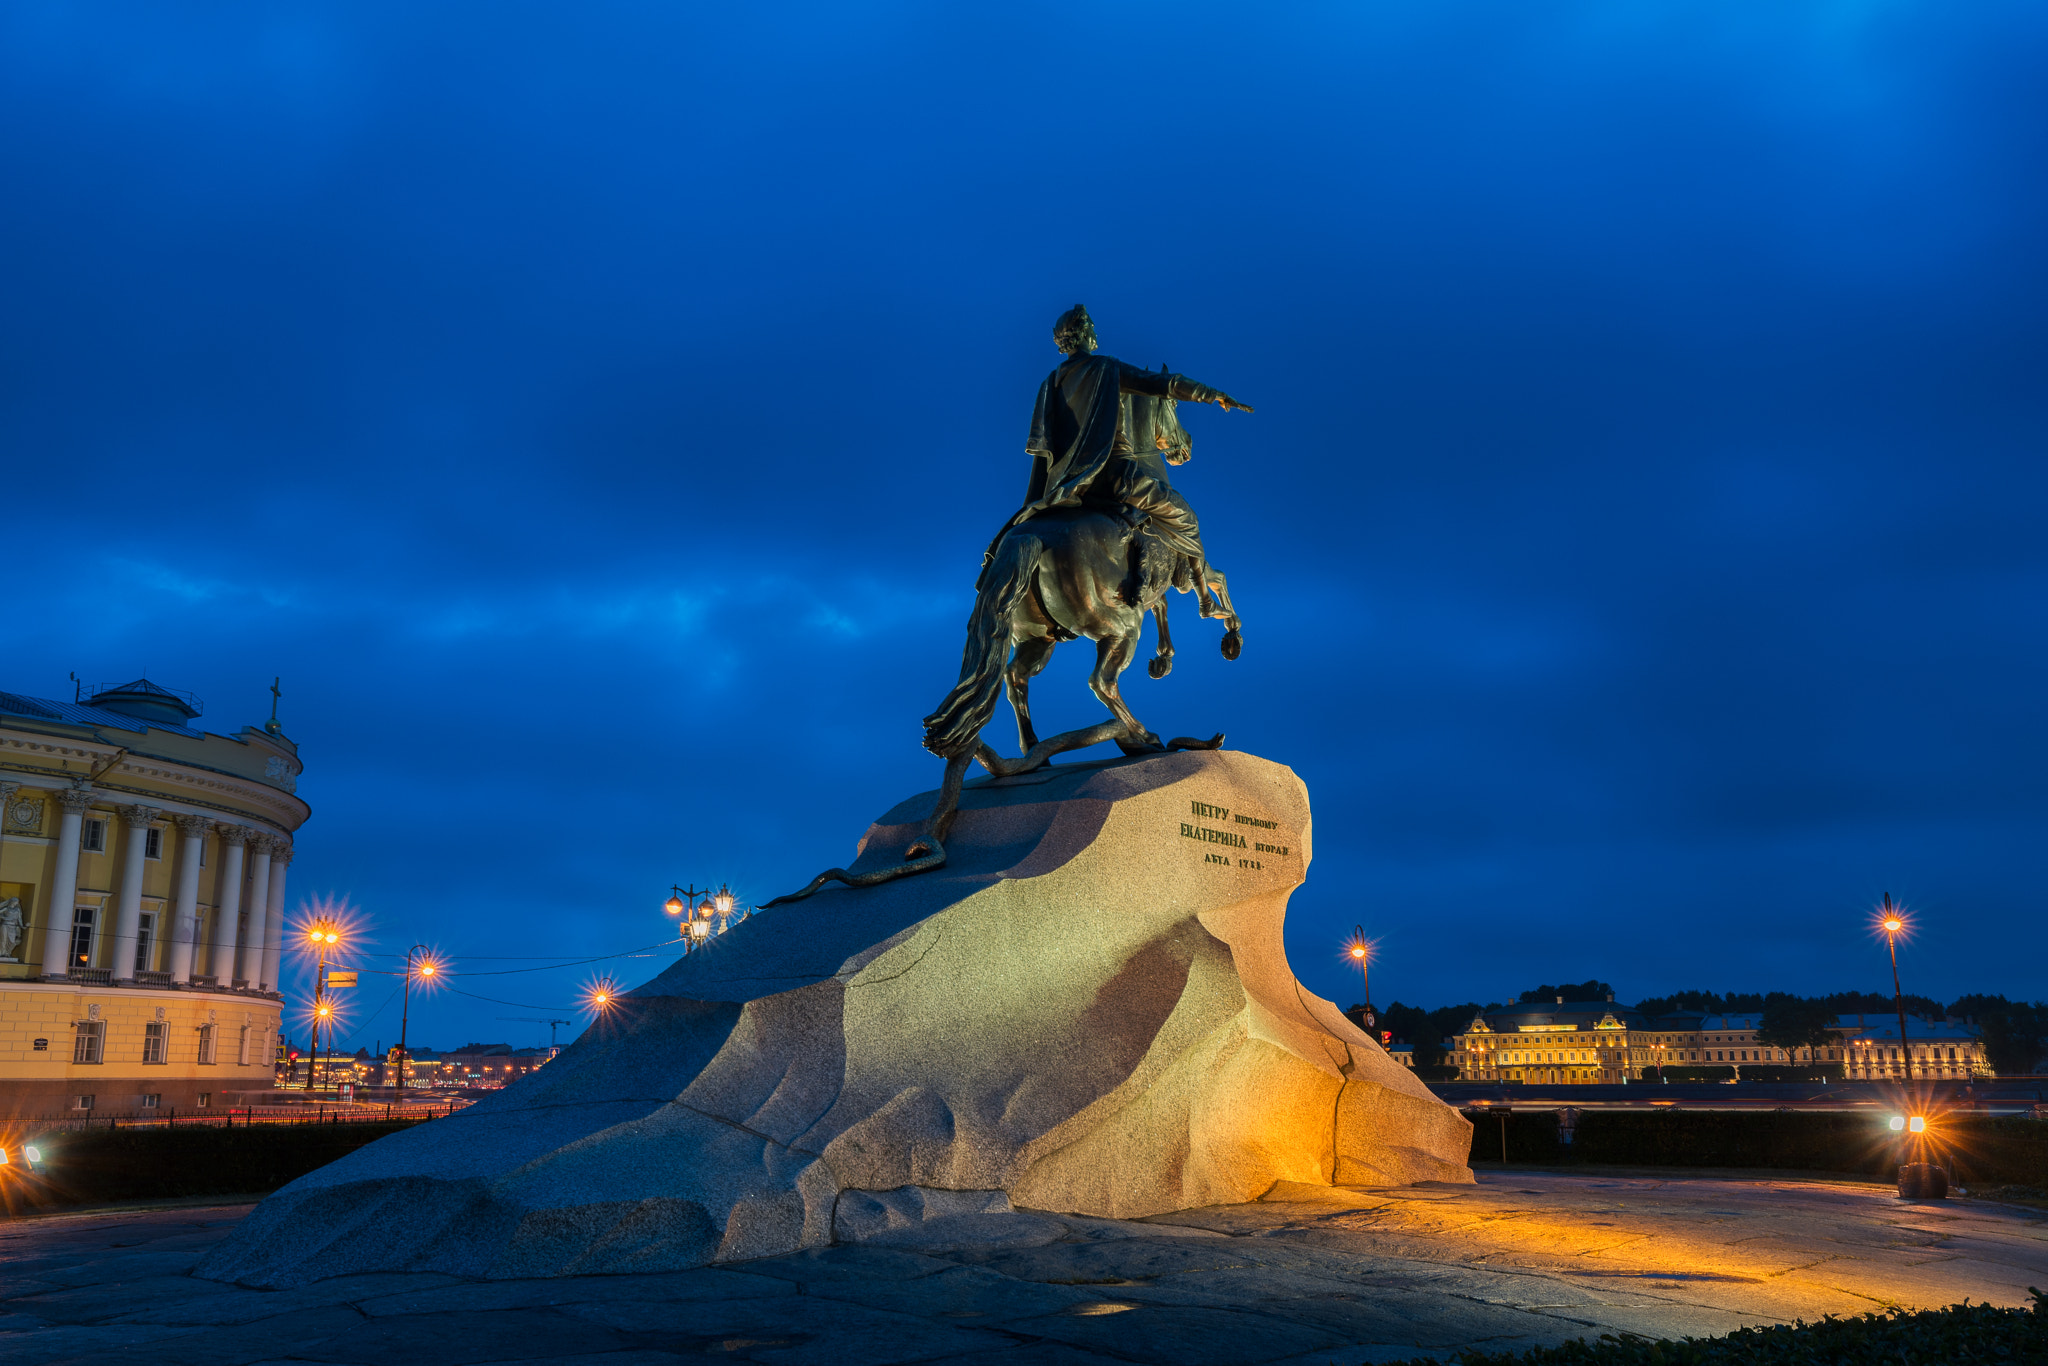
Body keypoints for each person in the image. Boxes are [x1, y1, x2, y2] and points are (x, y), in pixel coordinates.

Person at [996, 305, 1249, 593]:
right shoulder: (1105, 368)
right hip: (1115, 478)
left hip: (1065, 487)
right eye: (1090, 326)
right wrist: (1212, 394)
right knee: (1187, 518)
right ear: (1080, 334)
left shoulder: (1050, 384)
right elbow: (1161, 384)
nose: (1094, 331)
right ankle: (1204, 594)